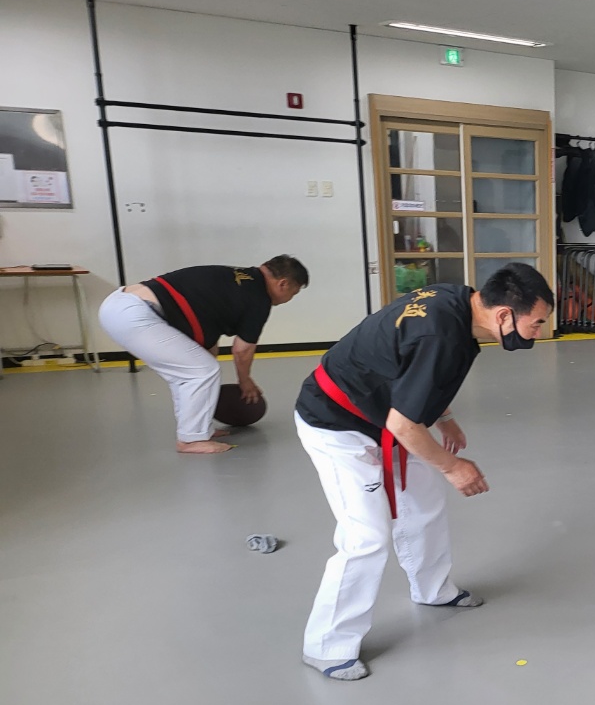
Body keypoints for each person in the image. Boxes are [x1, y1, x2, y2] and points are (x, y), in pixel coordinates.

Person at [294, 263, 554, 681]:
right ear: (505, 314)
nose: (539, 332)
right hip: (337, 424)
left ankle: (433, 590)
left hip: (380, 415)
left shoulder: (459, 303)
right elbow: (403, 424)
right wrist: (454, 467)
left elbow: (413, 372)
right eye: (537, 323)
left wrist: (444, 417)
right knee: (366, 535)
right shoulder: (441, 335)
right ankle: (326, 646)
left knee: (424, 500)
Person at [98, 257, 309, 453]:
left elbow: (206, 340)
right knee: (201, 371)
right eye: (294, 293)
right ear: (283, 284)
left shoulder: (238, 279)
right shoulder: (258, 298)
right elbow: (242, 350)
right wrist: (245, 381)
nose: (290, 299)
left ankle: (199, 430)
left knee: (191, 372)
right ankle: (191, 440)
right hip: (134, 314)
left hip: (120, 304)